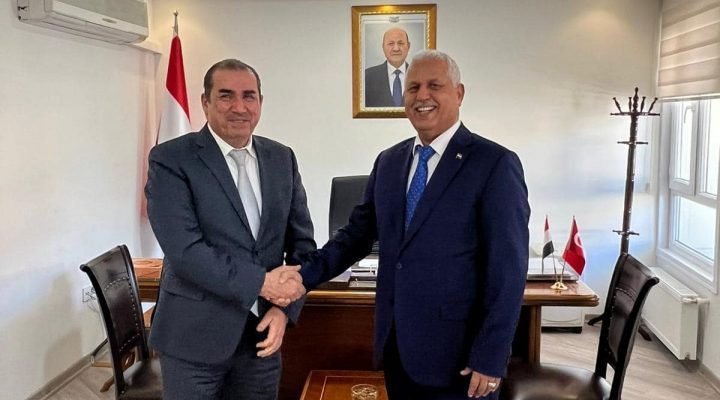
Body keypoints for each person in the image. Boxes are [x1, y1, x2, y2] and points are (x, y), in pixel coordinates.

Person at [292, 50, 530, 399]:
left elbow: (508, 271)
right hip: (398, 349)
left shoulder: (494, 164)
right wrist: (301, 276)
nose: (422, 96)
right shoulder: (389, 162)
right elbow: (355, 236)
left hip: (461, 359)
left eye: (435, 85)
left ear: (459, 93)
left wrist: (491, 355)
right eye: (413, 87)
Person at [145, 58, 315, 400]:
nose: (239, 107)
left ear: (260, 102)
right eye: (226, 96)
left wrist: (284, 310)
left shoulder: (282, 158)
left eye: (249, 96)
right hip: (193, 339)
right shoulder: (171, 159)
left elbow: (303, 246)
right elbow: (185, 251)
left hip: (261, 339)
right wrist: (263, 283)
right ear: (205, 102)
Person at [365, 27, 411, 107]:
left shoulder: (420, 75)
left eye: (400, 43)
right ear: (383, 47)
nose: (396, 49)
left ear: (408, 46)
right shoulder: (367, 77)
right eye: (391, 44)